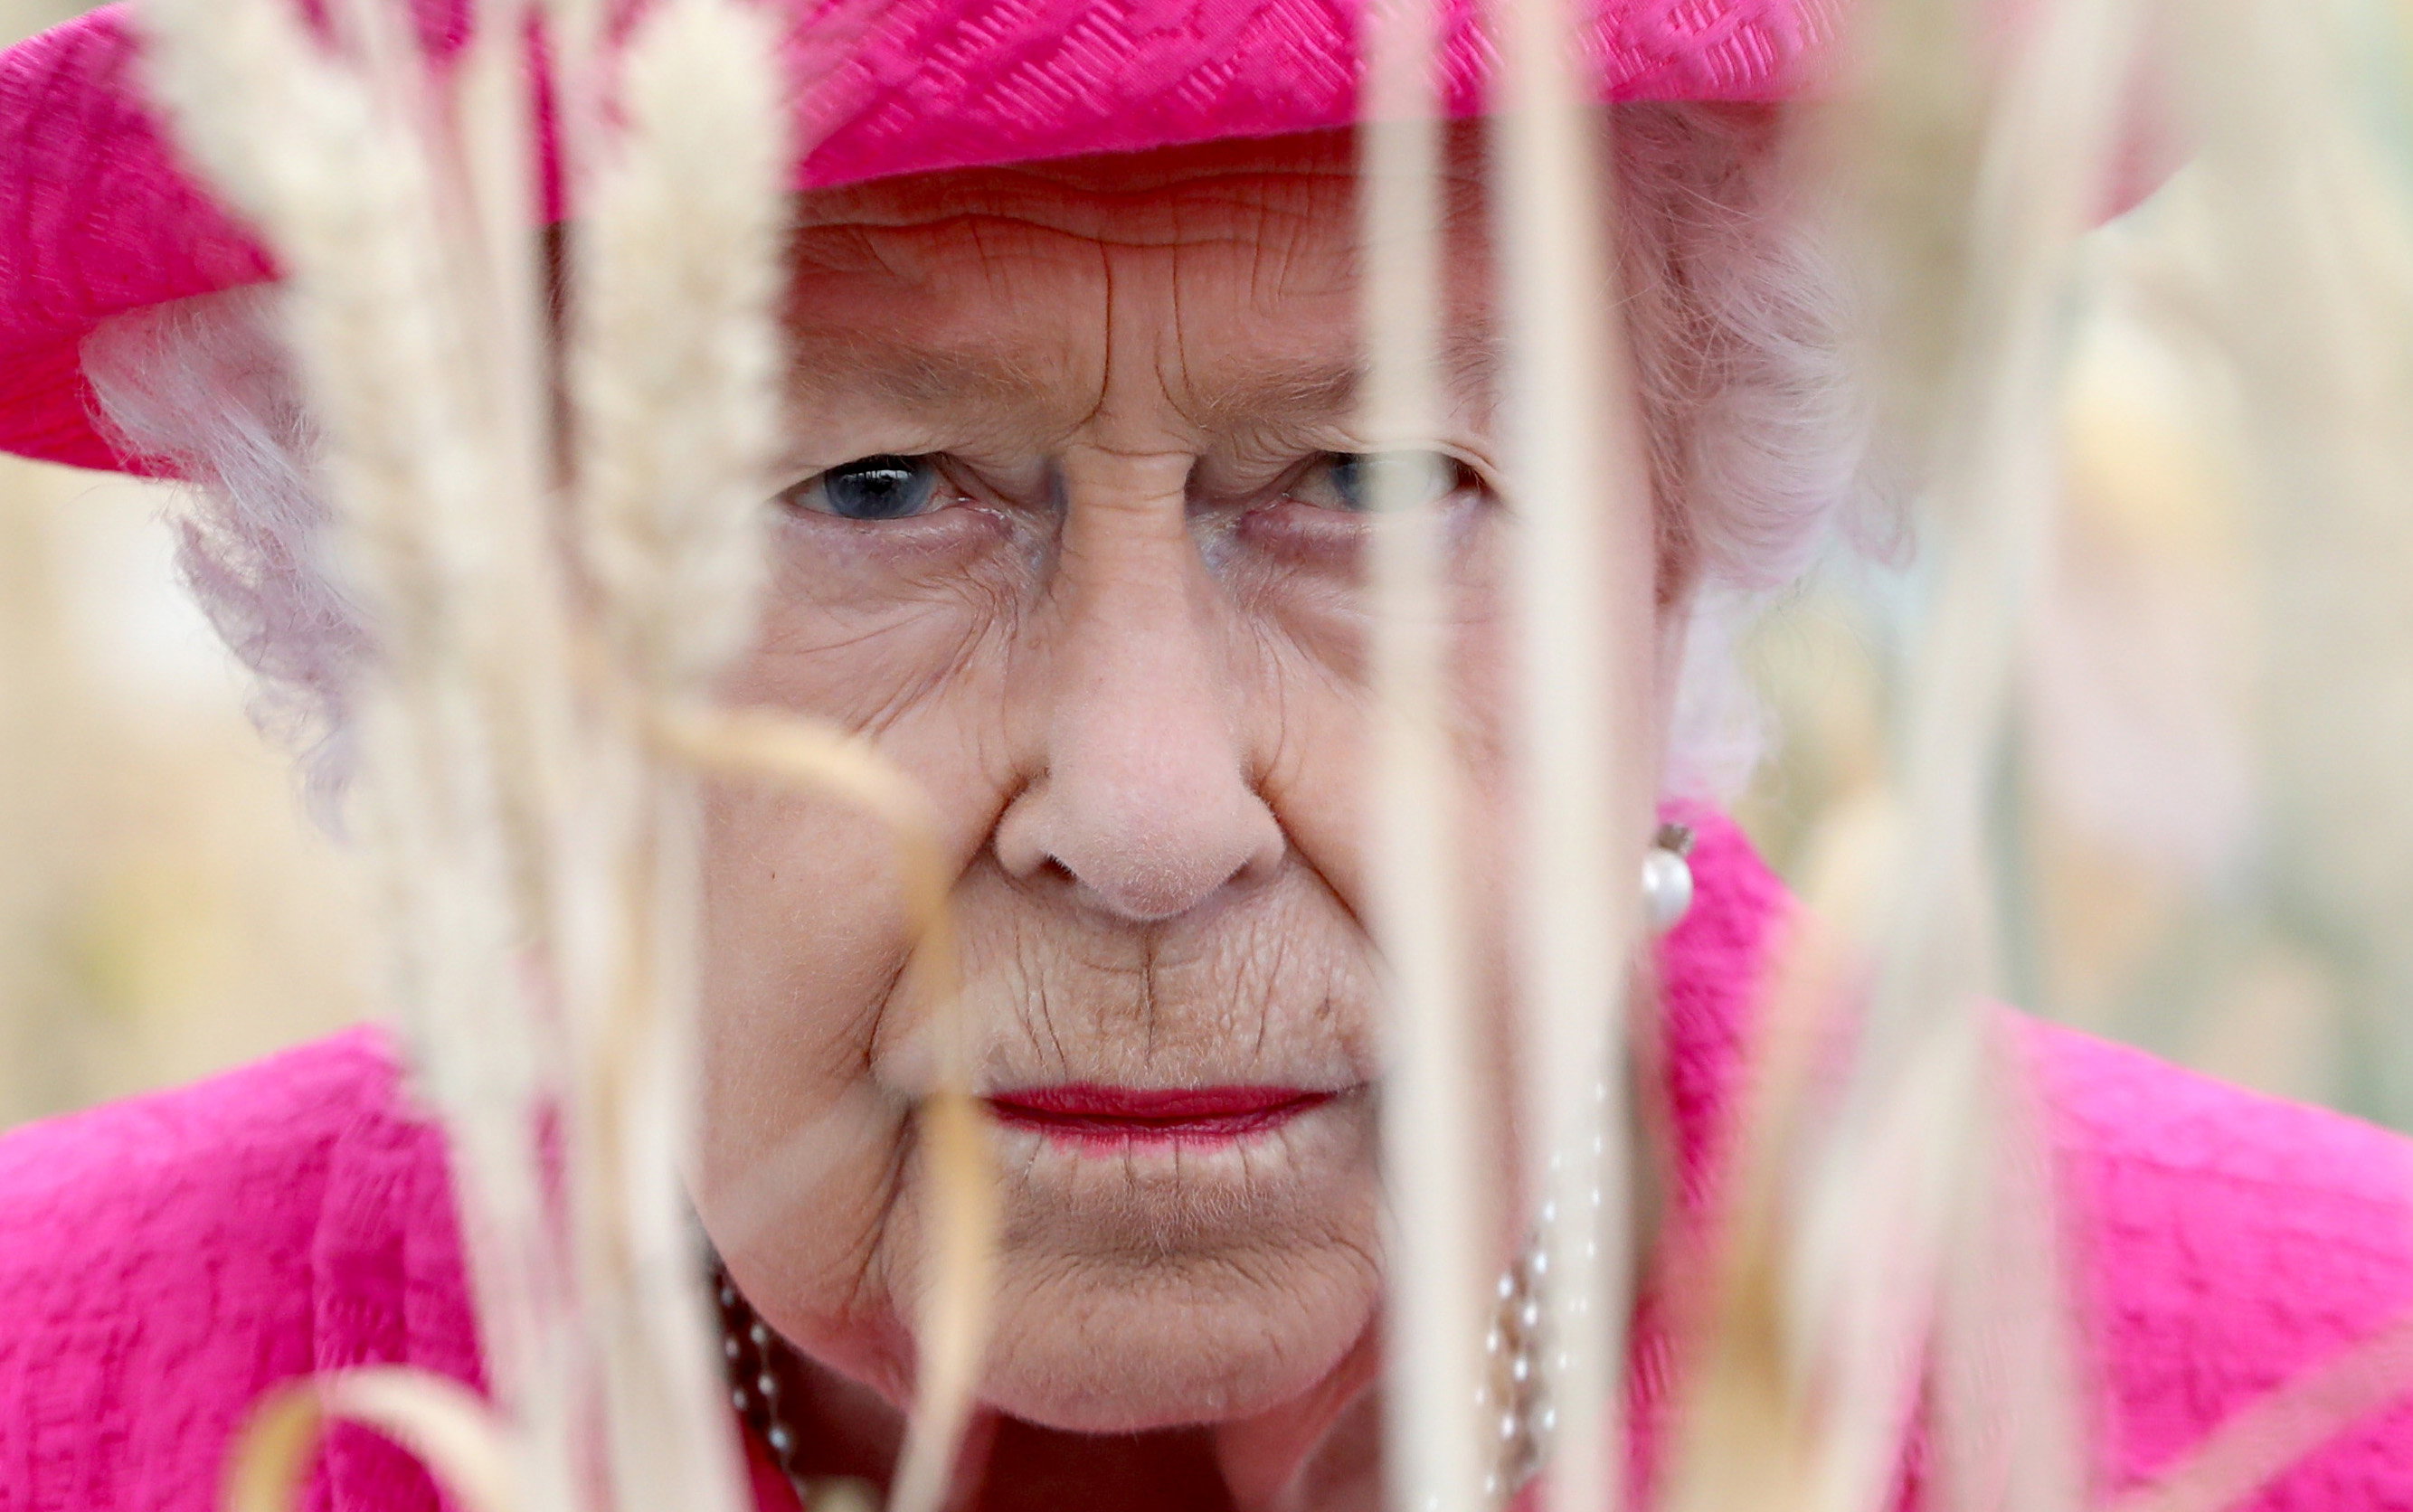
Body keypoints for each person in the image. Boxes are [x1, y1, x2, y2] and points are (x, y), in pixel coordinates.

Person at [2, 2, 2410, 1509]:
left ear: (1687, 550)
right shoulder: (59, 1401)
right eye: (873, 490)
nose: (1145, 822)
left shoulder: (2323, 1402)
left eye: (1372, 478)